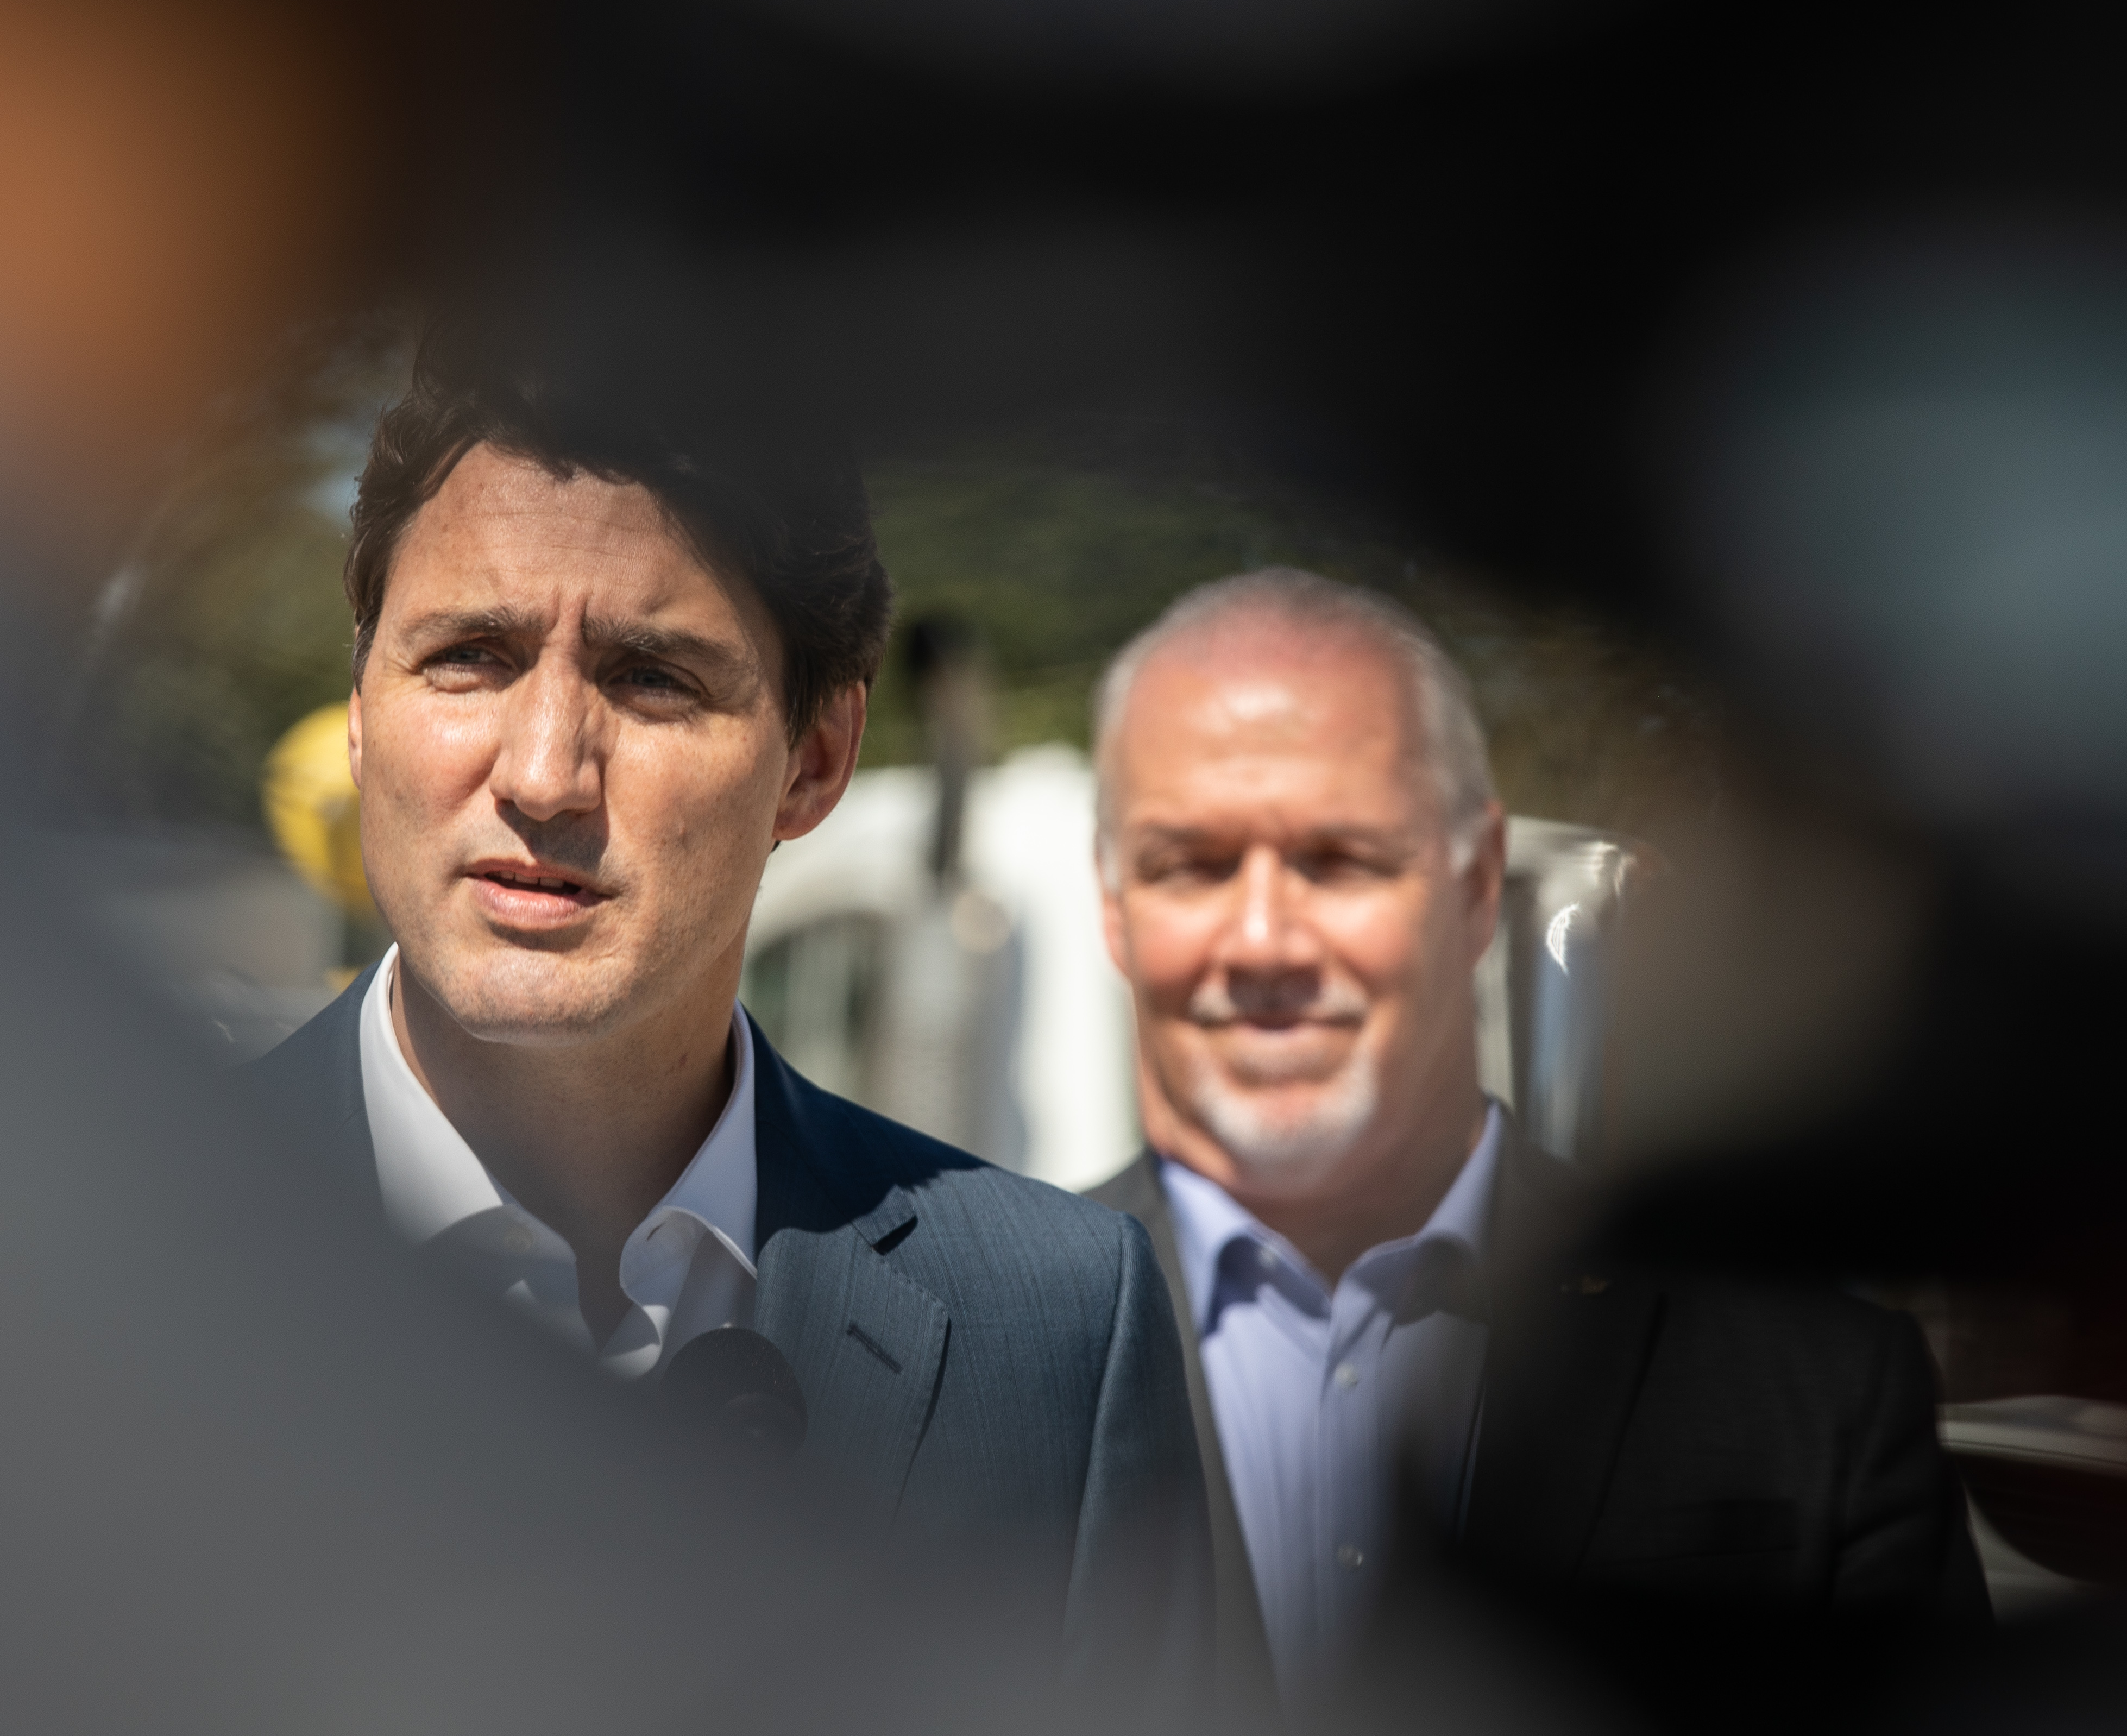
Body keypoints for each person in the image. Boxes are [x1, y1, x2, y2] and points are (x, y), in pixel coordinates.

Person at [250, 325, 1210, 1688]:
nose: (543, 773)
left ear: (814, 762)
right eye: (467, 655)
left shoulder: (1058, 1329)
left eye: (651, 678)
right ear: (359, 705)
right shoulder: (54, 1257)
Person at [1081, 568, 1986, 1716]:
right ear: (1111, 906)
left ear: (1471, 886)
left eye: (1340, 858)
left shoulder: (1817, 1384)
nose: (1264, 938)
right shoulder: (945, 1355)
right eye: (1192, 865)